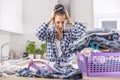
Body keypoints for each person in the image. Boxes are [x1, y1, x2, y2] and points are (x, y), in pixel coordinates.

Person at [35, 4, 86, 72]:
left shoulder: (70, 33)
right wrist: (50, 18)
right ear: (53, 21)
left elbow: (84, 31)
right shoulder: (49, 33)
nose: (60, 25)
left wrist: (69, 18)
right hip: (51, 68)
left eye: (63, 22)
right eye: (58, 22)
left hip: (67, 68)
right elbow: (38, 33)